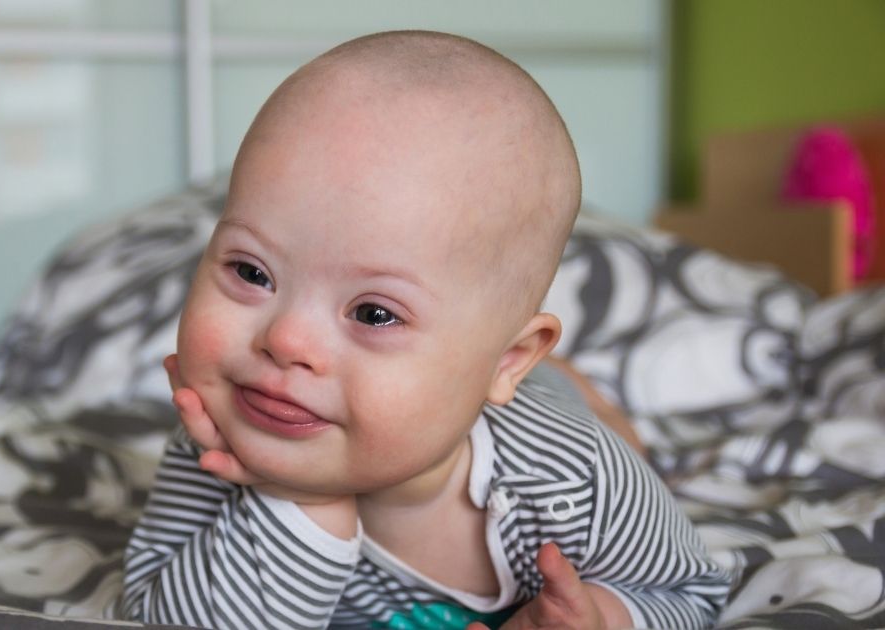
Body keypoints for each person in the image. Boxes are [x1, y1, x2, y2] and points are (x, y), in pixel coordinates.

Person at [121, 30, 729, 630]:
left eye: (374, 313)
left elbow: (688, 591)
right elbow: (152, 613)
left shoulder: (577, 481)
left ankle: (572, 387)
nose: (284, 341)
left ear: (506, 360)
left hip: (553, 416)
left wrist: (609, 618)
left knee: (615, 433)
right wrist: (297, 499)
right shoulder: (225, 437)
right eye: (251, 272)